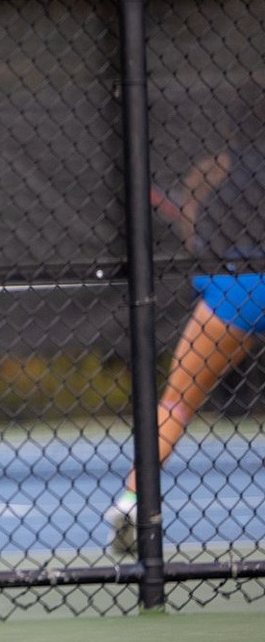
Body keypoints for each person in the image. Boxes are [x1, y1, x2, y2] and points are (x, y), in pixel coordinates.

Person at [109, 96, 265, 554]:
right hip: (239, 278)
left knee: (175, 405)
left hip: (235, 289)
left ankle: (132, 502)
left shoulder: (215, 169)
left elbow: (196, 232)